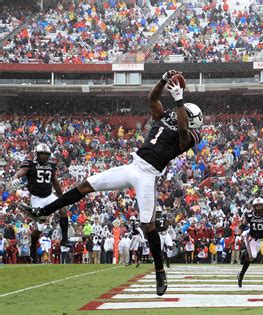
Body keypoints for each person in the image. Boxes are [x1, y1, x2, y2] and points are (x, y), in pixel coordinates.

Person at [20, 70, 203, 296]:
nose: (178, 113)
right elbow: (152, 99)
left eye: (183, 112)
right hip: (133, 166)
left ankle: (159, 272)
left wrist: (179, 100)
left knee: (148, 225)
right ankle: (43, 211)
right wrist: (163, 80)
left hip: (148, 175)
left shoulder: (193, 135)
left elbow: (184, 131)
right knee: (86, 185)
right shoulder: (166, 116)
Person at [9, 143, 69, 262]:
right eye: (41, 154)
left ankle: (65, 238)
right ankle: (33, 246)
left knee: (63, 209)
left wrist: (62, 197)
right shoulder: (30, 164)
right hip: (36, 198)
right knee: (40, 227)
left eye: (46, 154)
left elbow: (55, 182)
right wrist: (15, 178)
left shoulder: (51, 166)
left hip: (49, 195)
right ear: (36, 154)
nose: (43, 156)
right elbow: (20, 172)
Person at [237, 197, 263, 288]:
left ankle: (241, 274)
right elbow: (243, 225)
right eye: (257, 206)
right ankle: (244, 254)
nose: (259, 208)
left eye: (261, 206)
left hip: (260, 240)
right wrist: (237, 236)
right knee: (253, 256)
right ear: (254, 206)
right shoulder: (249, 214)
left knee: (251, 258)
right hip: (250, 237)